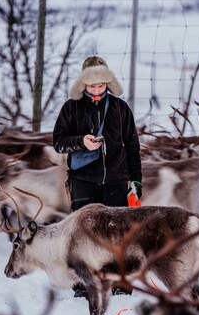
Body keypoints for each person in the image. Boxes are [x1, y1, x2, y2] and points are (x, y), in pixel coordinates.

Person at [53, 55, 142, 297]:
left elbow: (132, 146)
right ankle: (84, 282)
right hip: (82, 181)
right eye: (92, 85)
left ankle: (121, 281)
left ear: (108, 83)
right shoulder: (70, 108)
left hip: (115, 179)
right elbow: (58, 143)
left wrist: (136, 181)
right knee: (82, 232)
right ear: (83, 84)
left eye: (101, 85)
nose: (96, 89)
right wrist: (80, 142)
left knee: (118, 231)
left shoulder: (121, 108)